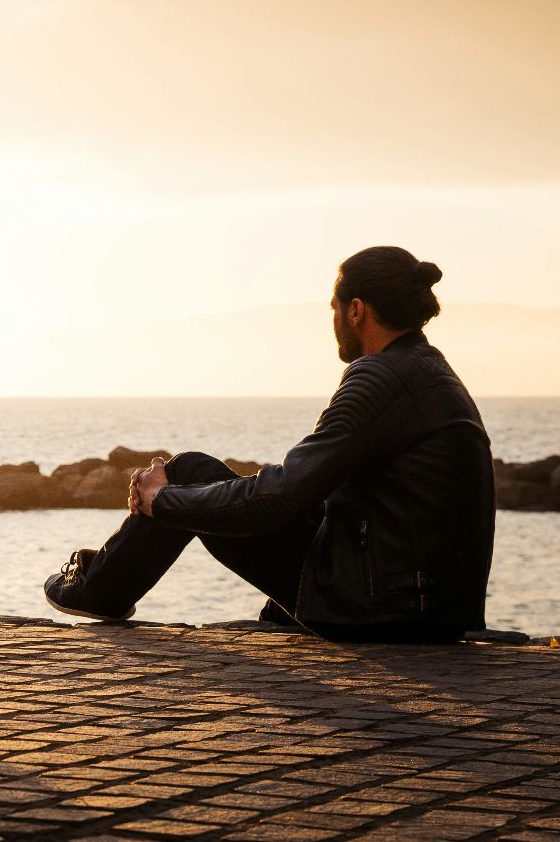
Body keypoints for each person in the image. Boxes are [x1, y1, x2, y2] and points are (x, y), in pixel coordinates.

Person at [43, 246, 494, 643]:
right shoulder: (430, 371)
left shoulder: (380, 377)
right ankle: (274, 614)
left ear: (356, 310)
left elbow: (278, 498)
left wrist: (162, 500)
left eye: (334, 309)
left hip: (381, 612)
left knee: (189, 472)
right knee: (304, 506)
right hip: (437, 612)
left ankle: (98, 591)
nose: (334, 320)